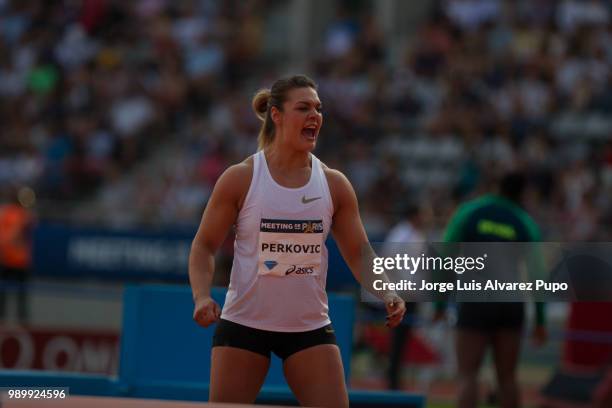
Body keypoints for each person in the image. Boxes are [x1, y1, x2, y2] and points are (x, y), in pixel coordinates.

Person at [188, 75, 405, 408]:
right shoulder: (241, 178)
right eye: (303, 108)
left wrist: (386, 289)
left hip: (309, 328)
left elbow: (359, 253)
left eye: (318, 108)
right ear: (276, 115)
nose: (314, 115)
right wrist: (202, 296)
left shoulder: (334, 185)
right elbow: (204, 246)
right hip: (244, 324)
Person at [437, 172, 547, 408]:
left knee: (468, 375)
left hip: (476, 300)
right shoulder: (524, 222)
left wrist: (438, 304)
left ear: (497, 187)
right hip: (510, 303)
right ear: (521, 194)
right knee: (507, 378)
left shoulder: (470, 212)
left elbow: (445, 258)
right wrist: (540, 320)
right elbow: (538, 275)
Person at [384, 203, 426, 390]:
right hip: (402, 294)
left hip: (411, 294)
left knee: (403, 341)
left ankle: (395, 379)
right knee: (398, 340)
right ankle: (392, 380)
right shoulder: (400, 235)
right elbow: (387, 261)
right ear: (415, 215)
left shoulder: (416, 235)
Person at [0, 188, 34, 323]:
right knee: (3, 294)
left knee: (22, 295)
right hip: (8, 260)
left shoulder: (25, 215)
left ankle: (22, 321)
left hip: (21, 261)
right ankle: (3, 320)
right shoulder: (7, 214)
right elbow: (6, 237)